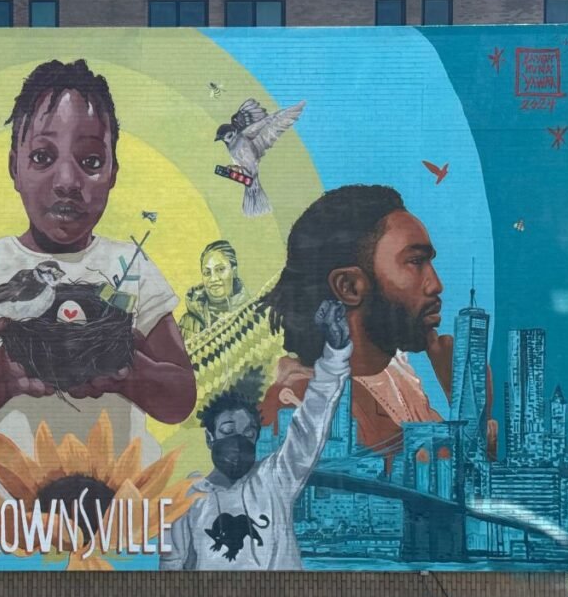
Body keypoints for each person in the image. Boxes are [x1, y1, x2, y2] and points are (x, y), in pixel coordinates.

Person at [0, 59, 196, 463]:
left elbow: (180, 397)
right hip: (9, 504)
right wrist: (7, 370)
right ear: (13, 168)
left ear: (112, 173)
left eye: (91, 162)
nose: (68, 183)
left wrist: (128, 367)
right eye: (42, 157)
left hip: (115, 502)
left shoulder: (131, 264)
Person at [257, 185, 496, 469]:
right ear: (349, 286)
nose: (436, 284)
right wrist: (467, 404)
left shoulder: (399, 377)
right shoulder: (299, 400)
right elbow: (431, 483)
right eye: (416, 262)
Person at [161, 300, 352, 571]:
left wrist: (336, 352)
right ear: (209, 437)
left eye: (248, 433)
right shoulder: (186, 497)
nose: (238, 441)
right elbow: (170, 568)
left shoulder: (275, 479)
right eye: (227, 430)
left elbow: (311, 421)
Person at [179, 240, 248, 343]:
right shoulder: (187, 323)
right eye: (207, 273)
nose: (213, 279)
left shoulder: (253, 314)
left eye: (220, 269)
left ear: (234, 272)